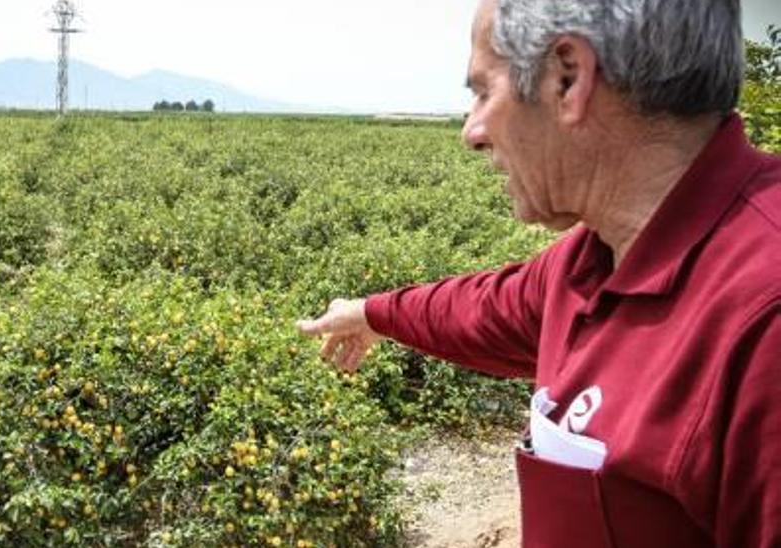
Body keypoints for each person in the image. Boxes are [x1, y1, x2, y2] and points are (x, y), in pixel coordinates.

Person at [296, 0, 780, 546]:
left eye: (483, 91)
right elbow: (483, 308)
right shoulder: (593, 259)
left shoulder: (764, 318)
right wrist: (371, 313)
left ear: (567, 78)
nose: (472, 131)